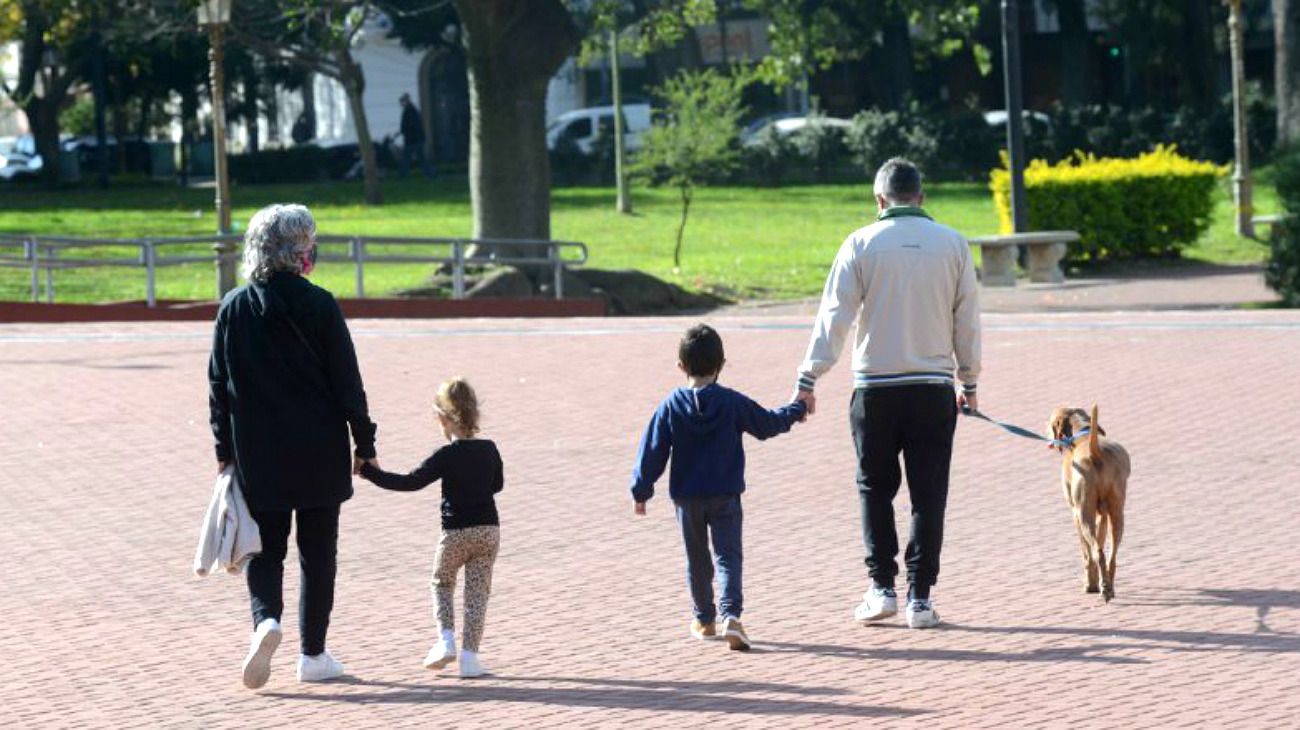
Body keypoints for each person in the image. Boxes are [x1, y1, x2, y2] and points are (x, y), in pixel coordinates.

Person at [793, 157, 981, 629]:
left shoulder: (860, 243)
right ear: (921, 196)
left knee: (874, 489)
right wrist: (969, 382)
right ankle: (921, 596)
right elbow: (968, 323)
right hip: (933, 387)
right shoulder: (954, 245)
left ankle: (881, 589)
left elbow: (834, 317)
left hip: (875, 388)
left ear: (879, 200)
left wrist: (809, 377)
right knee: (928, 493)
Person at [208, 203, 379, 689]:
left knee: (264, 549)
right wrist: (364, 444)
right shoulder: (321, 305)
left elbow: (218, 388)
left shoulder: (233, 308)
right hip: (320, 451)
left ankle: (265, 620)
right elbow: (349, 383)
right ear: (301, 250)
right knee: (318, 555)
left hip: (258, 454)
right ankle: (313, 655)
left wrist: (223, 451)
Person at [629, 324, 807, 651]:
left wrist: (641, 491)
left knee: (697, 559)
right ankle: (731, 616)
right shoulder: (730, 402)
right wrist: (796, 409)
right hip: (725, 494)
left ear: (681, 367)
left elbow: (652, 450)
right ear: (722, 364)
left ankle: (704, 619)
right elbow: (767, 423)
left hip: (687, 499)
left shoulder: (671, 405)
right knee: (728, 556)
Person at [359, 378, 502, 679]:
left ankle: (446, 640)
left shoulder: (445, 456)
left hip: (455, 532)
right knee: (477, 592)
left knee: (442, 582)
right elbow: (498, 484)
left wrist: (369, 472)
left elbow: (410, 482)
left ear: (443, 418)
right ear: (474, 414)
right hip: (488, 531)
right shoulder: (490, 449)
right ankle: (470, 658)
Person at [398, 92, 436, 179]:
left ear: (406, 101)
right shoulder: (411, 110)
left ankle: (402, 176)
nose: (401, 104)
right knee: (421, 159)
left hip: (413, 140)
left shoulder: (410, 111)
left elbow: (410, 126)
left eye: (402, 102)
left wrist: (404, 131)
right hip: (416, 139)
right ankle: (430, 174)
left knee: (406, 159)